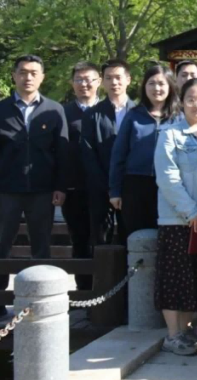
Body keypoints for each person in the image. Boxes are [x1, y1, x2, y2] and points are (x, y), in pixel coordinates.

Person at [0, 54, 69, 320]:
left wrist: (60, 186)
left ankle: (39, 300)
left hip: (42, 190)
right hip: (7, 190)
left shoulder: (54, 110)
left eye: (33, 73)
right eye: (22, 72)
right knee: (0, 247)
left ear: (42, 77)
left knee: (41, 246)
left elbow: (62, 153)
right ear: (14, 75)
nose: (28, 77)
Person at [154, 78, 197, 356]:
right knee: (175, 278)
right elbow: (167, 178)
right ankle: (173, 335)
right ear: (182, 102)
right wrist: (191, 211)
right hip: (177, 220)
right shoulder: (169, 134)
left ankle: (187, 329)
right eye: (191, 99)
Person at [109, 65, 179, 243]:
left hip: (168, 186)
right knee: (136, 238)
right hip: (135, 185)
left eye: (161, 83)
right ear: (144, 86)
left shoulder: (179, 117)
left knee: (166, 239)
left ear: (170, 86)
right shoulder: (133, 115)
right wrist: (115, 191)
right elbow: (118, 155)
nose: (156, 88)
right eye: (151, 83)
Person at [81, 60, 135, 250]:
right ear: (102, 81)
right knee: (100, 238)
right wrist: (107, 185)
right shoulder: (92, 114)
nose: (114, 82)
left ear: (128, 79)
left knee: (131, 236)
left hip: (131, 185)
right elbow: (88, 152)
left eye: (118, 77)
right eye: (109, 78)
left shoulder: (140, 113)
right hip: (100, 186)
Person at [62, 61, 101, 290]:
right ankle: (83, 291)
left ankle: (104, 290)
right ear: (72, 83)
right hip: (74, 188)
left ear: (98, 82)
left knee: (103, 239)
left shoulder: (107, 111)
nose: (83, 84)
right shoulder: (63, 113)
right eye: (78, 80)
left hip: (103, 188)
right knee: (79, 239)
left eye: (88, 79)